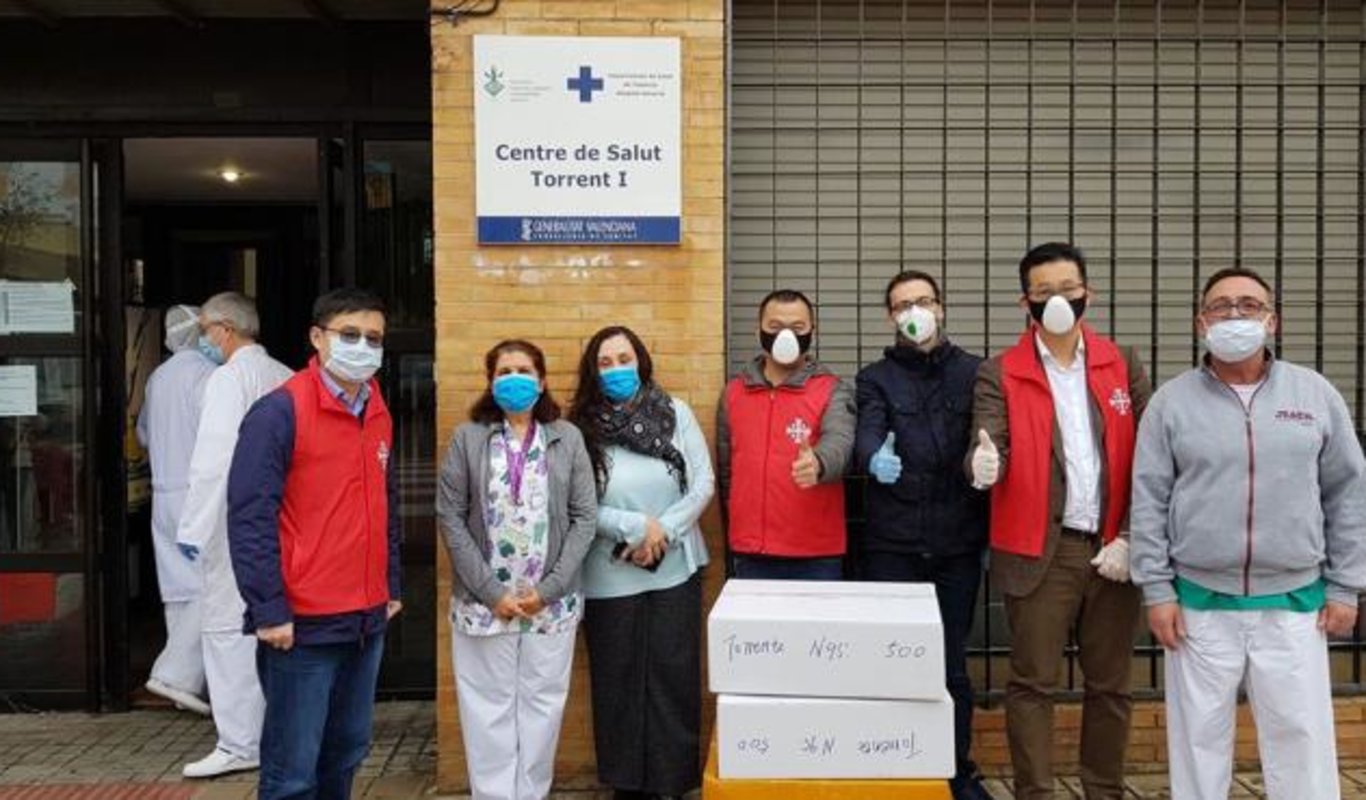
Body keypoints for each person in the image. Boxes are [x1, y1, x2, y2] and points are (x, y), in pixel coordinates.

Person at [1130, 266, 1366, 800]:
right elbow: (1148, 498)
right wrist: (1157, 590)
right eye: (1221, 306)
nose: (1235, 315)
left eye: (1249, 305)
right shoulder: (1171, 402)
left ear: (1272, 320)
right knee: (1198, 742)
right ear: (1201, 323)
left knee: (1300, 741)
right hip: (1197, 603)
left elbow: (1347, 493)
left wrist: (1346, 586)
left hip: (1295, 602)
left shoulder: (1315, 394)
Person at [966, 242, 1152, 800]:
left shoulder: (1121, 363)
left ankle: (1104, 790)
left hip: (1113, 545)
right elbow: (988, 442)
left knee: (1111, 685)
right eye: (1043, 292)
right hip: (1041, 550)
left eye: (1068, 289)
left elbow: (1154, 458)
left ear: (1088, 293)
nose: (1057, 301)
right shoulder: (1001, 371)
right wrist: (982, 465)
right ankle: (1036, 793)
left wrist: (1131, 535)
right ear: (1025, 301)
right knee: (1032, 684)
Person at [226, 289, 402, 800]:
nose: (363, 347)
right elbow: (250, 516)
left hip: (366, 617)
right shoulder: (279, 411)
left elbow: (385, 505)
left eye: (374, 338)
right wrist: (268, 609)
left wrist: (390, 584)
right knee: (292, 772)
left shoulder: (377, 410)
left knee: (345, 753)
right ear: (317, 338)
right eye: (350, 334)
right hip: (302, 624)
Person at [437, 339, 597, 800]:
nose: (514, 379)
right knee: (487, 708)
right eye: (504, 372)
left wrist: (549, 589)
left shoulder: (566, 438)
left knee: (542, 705)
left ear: (541, 381)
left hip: (550, 603)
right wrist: (492, 593)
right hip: (484, 603)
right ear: (490, 382)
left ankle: (531, 793)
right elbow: (450, 515)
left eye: (524, 370)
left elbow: (585, 516)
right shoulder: (468, 438)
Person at [854, 272, 989, 800]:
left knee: (951, 664)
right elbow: (868, 428)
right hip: (893, 544)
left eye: (923, 301)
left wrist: (987, 459)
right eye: (902, 304)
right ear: (890, 316)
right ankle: (896, 770)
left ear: (941, 307)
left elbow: (989, 432)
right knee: (893, 661)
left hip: (957, 542)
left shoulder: (976, 372)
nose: (914, 311)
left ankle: (956, 770)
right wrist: (873, 457)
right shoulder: (875, 378)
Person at [568, 326, 714, 800]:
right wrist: (633, 528)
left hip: (675, 566)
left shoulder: (675, 412)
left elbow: (703, 484)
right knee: (618, 681)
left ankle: (672, 782)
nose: (616, 369)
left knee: (674, 674)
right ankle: (627, 785)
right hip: (609, 572)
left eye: (624, 359)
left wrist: (662, 531)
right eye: (605, 362)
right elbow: (577, 501)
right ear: (593, 371)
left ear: (641, 362)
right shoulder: (578, 427)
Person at [175, 291, 293, 779]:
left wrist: (193, 527)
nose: (203, 340)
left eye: (204, 330)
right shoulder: (285, 375)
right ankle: (277, 733)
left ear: (224, 330)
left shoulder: (227, 380)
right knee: (278, 624)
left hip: (233, 521)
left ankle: (240, 741)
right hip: (282, 519)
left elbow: (213, 460)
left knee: (227, 628)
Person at [716, 289, 855, 580]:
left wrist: (819, 463)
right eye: (775, 326)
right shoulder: (734, 392)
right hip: (751, 550)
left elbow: (841, 442)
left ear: (812, 331)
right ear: (758, 330)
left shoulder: (832, 388)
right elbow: (728, 469)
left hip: (815, 553)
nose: (786, 336)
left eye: (797, 327)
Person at [135, 304, 216, 716]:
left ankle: (185, 689)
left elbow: (143, 434)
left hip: (163, 494)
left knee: (178, 588)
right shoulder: (208, 375)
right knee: (212, 583)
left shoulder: (158, 377)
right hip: (197, 494)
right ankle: (177, 675)